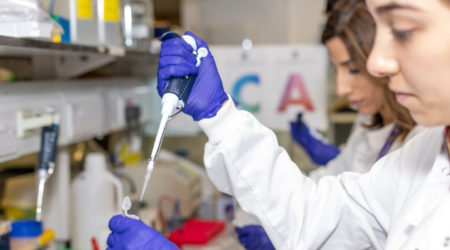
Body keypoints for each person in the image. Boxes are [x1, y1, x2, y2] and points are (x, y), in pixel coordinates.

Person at [107, 0, 450, 248]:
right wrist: (218, 114)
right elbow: (314, 219)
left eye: (402, 30)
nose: (377, 62)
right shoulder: (430, 151)